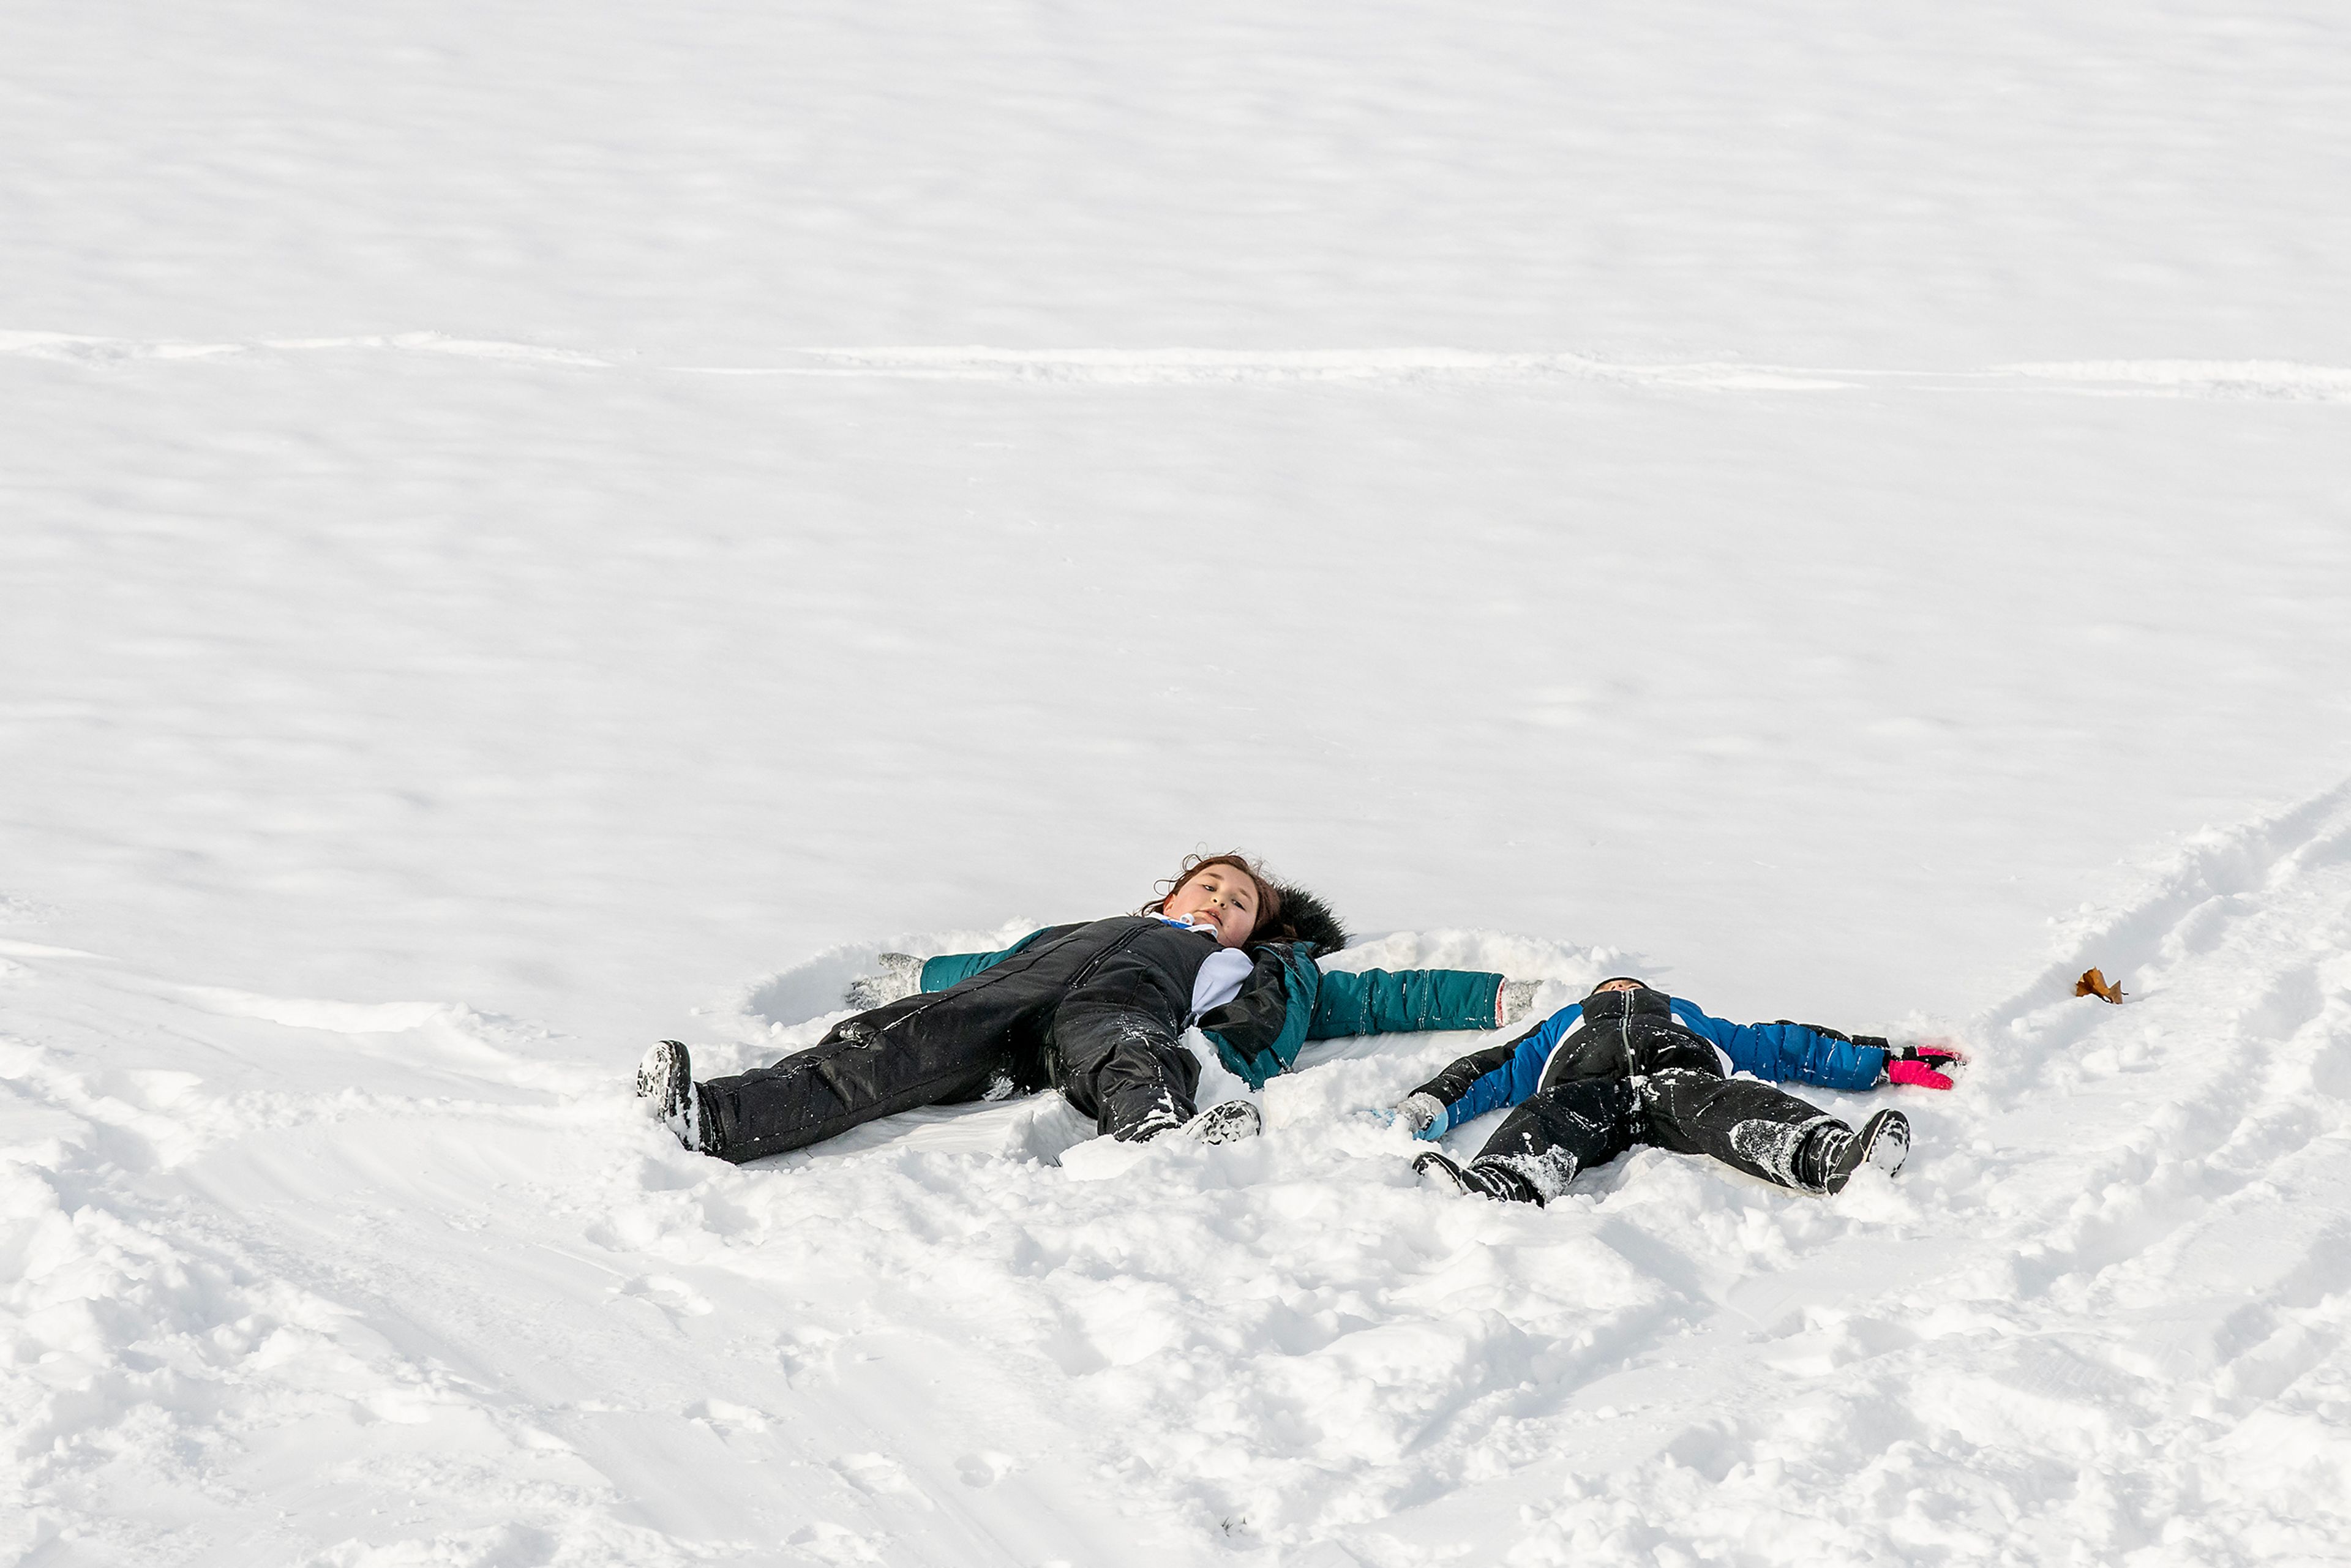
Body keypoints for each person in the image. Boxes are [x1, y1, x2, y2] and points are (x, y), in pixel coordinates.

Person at [637, 851, 1539, 1163]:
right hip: (1016, 1000)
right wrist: (918, 977)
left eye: (1239, 906)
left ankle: (1154, 1133)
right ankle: (718, 1116)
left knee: (1124, 1049)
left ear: (1252, 935)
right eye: (1210, 887)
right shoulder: (1099, 922)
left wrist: (1496, 994)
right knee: (885, 1047)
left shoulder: (1252, 973)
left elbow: (1386, 995)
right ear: (1171, 894)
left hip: (1119, 1009)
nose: (1220, 903)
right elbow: (1000, 961)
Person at [1398, 977, 1963, 1201]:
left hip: (1677, 1081)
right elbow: (1494, 1067)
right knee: (1550, 1111)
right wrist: (1433, 1102)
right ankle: (1500, 1183)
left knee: (1726, 1102)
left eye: (1629, 983)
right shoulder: (1560, 1026)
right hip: (1590, 1090)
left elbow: (1787, 1046)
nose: (1621, 986)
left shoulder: (1689, 1018)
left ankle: (1831, 1154)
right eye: (1612, 984)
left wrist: (1884, 1060)